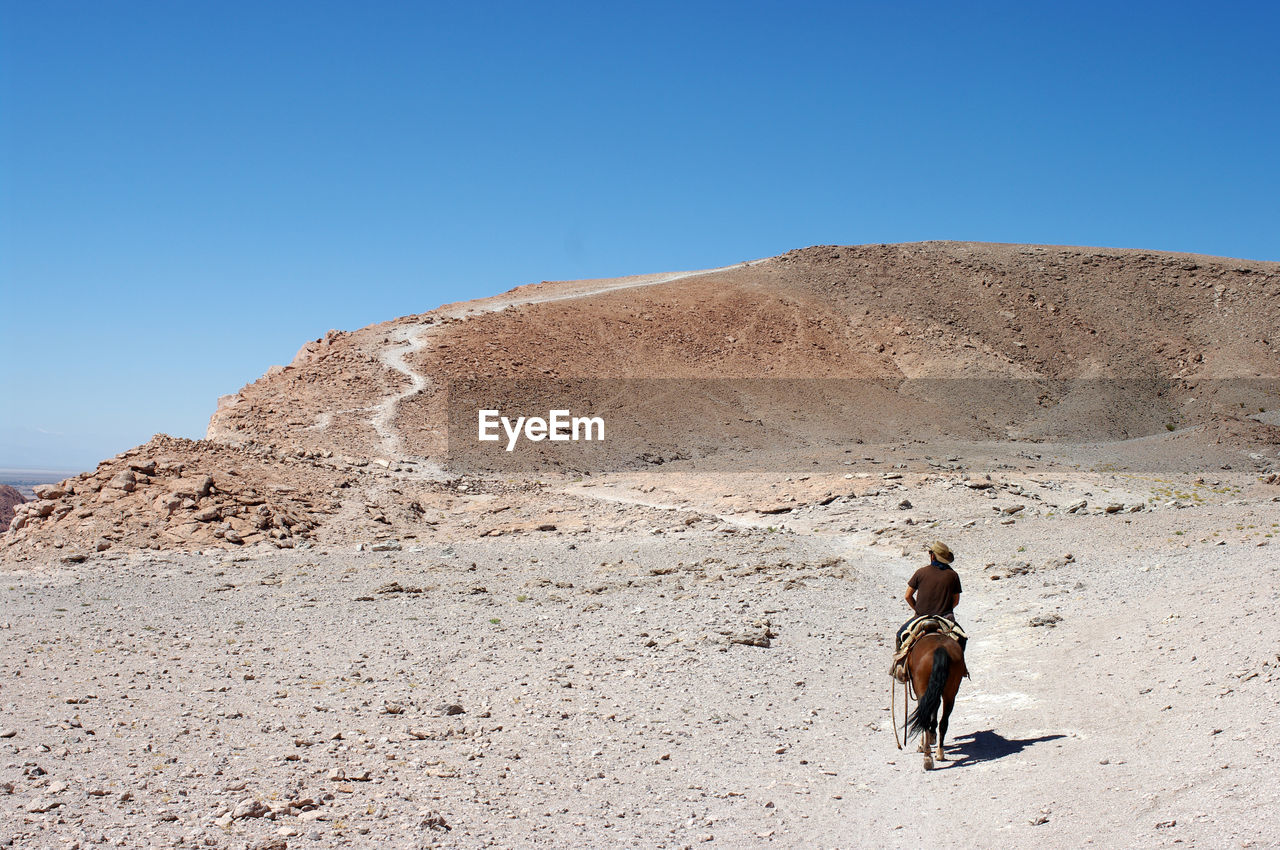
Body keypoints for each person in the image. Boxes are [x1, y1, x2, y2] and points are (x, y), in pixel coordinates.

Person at [895, 541, 966, 652]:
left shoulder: (920, 572)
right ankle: (960, 668)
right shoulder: (953, 575)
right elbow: (956, 601)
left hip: (921, 617)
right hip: (944, 618)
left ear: (932, 556)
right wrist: (944, 609)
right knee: (962, 639)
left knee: (900, 635)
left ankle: (899, 666)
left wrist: (918, 610)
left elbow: (908, 596)